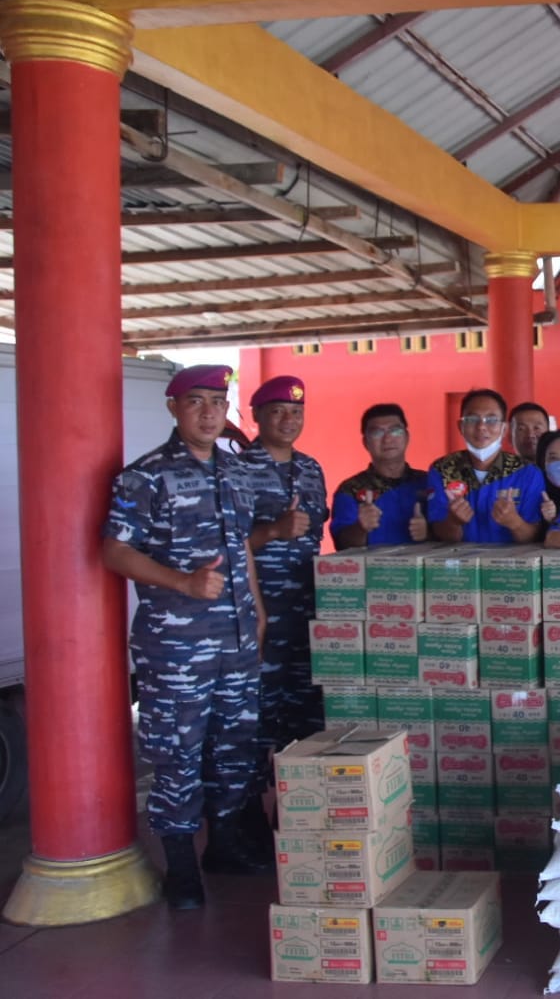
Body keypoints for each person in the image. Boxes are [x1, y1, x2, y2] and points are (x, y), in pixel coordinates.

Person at [102, 365, 270, 909]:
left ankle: (222, 848)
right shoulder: (145, 476)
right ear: (173, 408)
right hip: (176, 647)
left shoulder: (236, 471)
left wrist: (259, 612)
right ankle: (180, 868)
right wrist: (183, 582)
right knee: (177, 754)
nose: (207, 412)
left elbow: (242, 545)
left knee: (234, 751)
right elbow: (114, 551)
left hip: (238, 639)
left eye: (217, 402)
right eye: (195, 401)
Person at [243, 375, 329, 778]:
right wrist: (273, 531)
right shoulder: (236, 470)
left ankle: (294, 816)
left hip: (306, 617)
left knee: (307, 725)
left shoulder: (312, 469)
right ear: (257, 415)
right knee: (257, 723)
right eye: (277, 411)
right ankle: (251, 827)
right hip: (258, 617)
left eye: (296, 412)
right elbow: (224, 545)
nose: (288, 420)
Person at [427, 389, 547, 543]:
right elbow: (439, 534)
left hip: (510, 565)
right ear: (460, 426)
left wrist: (515, 523)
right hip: (459, 564)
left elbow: (534, 537)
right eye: (472, 419)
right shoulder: (442, 470)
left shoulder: (527, 472)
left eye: (491, 420)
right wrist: (453, 522)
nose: (481, 427)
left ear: (504, 429)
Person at [330, 403, 430, 550]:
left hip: (421, 570)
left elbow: (453, 536)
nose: (387, 439)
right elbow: (342, 545)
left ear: (407, 437)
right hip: (373, 572)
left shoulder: (428, 483)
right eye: (377, 433)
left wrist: (428, 533)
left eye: (395, 431)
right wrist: (360, 528)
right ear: (365, 442)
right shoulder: (350, 490)